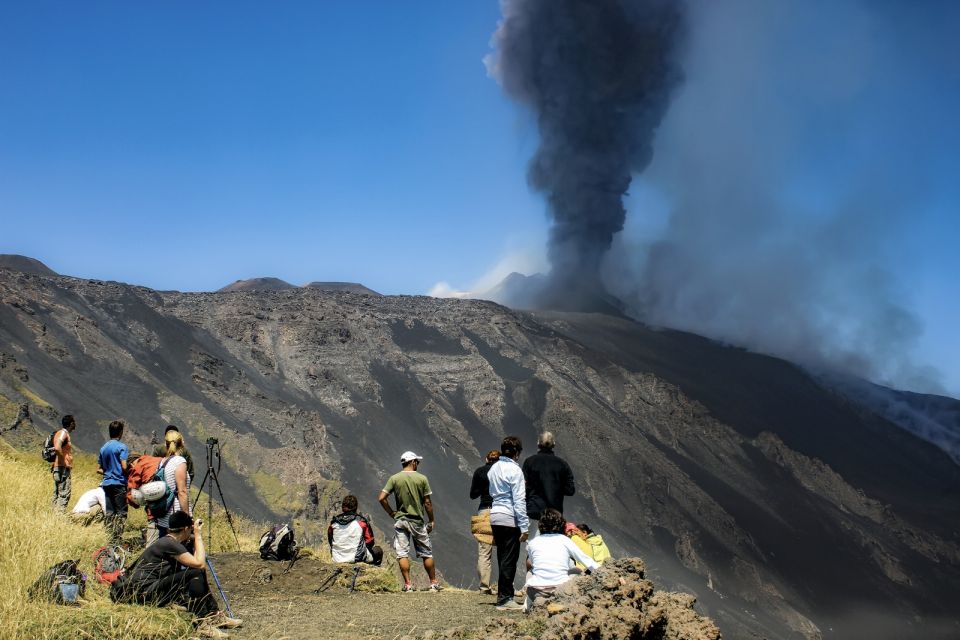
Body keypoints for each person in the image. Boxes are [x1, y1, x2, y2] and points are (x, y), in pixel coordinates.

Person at [127, 511, 241, 638]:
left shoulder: (168, 541)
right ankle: (202, 623)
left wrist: (192, 538)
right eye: (190, 528)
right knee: (195, 572)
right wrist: (197, 535)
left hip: (146, 589)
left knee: (196, 572)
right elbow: (200, 563)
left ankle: (213, 614)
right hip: (144, 592)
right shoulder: (170, 544)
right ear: (186, 528)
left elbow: (196, 563)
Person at [378, 450, 441, 592]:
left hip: (401, 521)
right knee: (426, 553)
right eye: (417, 462)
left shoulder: (394, 479)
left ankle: (408, 585)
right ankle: (433, 583)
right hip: (417, 521)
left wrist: (391, 513)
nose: (418, 464)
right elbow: (428, 503)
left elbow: (382, 498)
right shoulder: (422, 479)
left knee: (402, 553)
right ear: (412, 462)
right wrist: (431, 520)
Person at [524, 508, 599, 611]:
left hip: (537, 591)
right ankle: (561, 604)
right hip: (560, 590)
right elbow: (587, 561)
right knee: (577, 570)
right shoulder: (565, 541)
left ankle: (529, 606)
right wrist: (604, 574)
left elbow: (531, 563)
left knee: (530, 573)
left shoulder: (533, 542)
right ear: (562, 525)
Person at [487, 436, 528, 611]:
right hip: (510, 517)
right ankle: (505, 599)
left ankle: (503, 594)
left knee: (502, 556)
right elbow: (519, 500)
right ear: (517, 453)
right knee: (510, 559)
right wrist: (524, 526)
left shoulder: (493, 468)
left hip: (495, 515)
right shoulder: (515, 471)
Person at [522, 431, 575, 537]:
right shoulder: (563, 464)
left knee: (533, 546)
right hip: (554, 514)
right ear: (554, 444)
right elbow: (570, 490)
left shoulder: (529, 462)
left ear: (538, 443)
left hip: (533, 511)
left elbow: (523, 486)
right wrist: (556, 486)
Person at [469, 449, 500, 594]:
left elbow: (473, 494)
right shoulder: (503, 471)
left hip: (485, 510)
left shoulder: (480, 471)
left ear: (486, 459)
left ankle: (484, 587)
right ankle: (505, 587)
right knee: (505, 550)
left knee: (484, 552)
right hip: (502, 511)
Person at [97, 420, 129, 543]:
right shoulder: (122, 447)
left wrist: (108, 473)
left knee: (110, 512)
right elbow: (124, 467)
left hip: (106, 484)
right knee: (121, 512)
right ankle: (117, 539)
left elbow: (98, 469)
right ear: (120, 432)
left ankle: (109, 537)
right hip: (119, 483)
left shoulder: (103, 448)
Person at [328, 494, 383, 565]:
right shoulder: (361, 522)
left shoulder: (334, 522)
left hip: (336, 558)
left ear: (342, 507)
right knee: (378, 550)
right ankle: (372, 571)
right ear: (356, 507)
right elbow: (370, 541)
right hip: (356, 558)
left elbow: (331, 540)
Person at [127, 447, 165, 547]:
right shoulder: (159, 460)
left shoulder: (137, 467)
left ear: (131, 465)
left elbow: (132, 497)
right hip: (174, 506)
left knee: (151, 549)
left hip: (156, 512)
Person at [156, 431, 191, 537]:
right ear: (181, 444)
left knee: (167, 550)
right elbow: (182, 492)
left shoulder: (162, 462)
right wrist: (187, 519)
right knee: (182, 551)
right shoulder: (179, 461)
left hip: (163, 516)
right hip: (177, 516)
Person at [51, 414, 76, 512]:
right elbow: (57, 448)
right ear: (71, 423)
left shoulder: (59, 433)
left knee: (57, 492)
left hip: (58, 467)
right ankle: (59, 516)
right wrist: (64, 463)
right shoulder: (63, 433)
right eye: (74, 422)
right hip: (62, 468)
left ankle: (53, 515)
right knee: (64, 493)